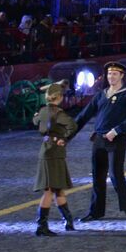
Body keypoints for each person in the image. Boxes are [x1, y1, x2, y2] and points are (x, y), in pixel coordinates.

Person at [73, 61, 126, 221]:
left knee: (115, 174)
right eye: (109, 74)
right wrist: (67, 134)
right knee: (97, 176)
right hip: (99, 139)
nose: (111, 77)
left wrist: (116, 130)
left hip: (116, 140)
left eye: (115, 74)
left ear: (122, 76)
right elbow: (84, 115)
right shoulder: (101, 94)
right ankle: (96, 211)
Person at [33, 81, 79, 235]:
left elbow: (35, 121)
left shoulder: (43, 111)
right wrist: (64, 139)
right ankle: (42, 226)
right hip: (55, 153)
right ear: (59, 97)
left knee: (58, 188)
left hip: (45, 150)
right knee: (50, 190)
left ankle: (68, 221)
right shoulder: (59, 113)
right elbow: (73, 126)